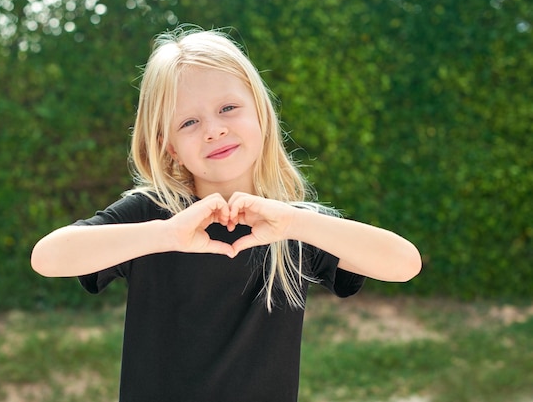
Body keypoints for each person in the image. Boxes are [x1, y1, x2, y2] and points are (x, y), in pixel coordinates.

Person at [31, 26, 421, 402]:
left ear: (261, 115)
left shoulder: (293, 225)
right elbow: (48, 257)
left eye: (228, 108)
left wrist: (297, 221)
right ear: (169, 147)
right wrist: (165, 235)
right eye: (189, 122)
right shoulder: (155, 215)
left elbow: (405, 263)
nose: (214, 130)